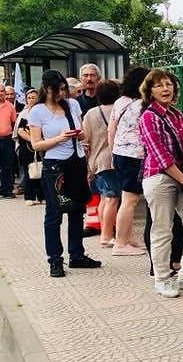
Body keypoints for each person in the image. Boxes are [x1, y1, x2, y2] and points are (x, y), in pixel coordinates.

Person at [136, 69, 183, 298]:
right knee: (162, 229)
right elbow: (161, 156)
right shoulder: (148, 116)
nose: (165, 89)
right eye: (159, 85)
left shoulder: (176, 115)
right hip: (159, 177)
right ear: (149, 91)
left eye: (168, 84)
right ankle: (162, 277)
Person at [27, 69, 102, 278]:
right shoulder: (38, 111)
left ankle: (77, 254)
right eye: (58, 90)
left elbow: (84, 133)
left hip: (76, 162)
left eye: (64, 89)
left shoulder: (72, 104)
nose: (62, 94)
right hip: (54, 166)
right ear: (46, 89)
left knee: (78, 210)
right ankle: (55, 260)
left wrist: (79, 135)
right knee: (54, 213)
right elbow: (36, 144)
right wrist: (60, 138)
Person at [108, 67, 149, 255]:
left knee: (127, 199)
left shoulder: (120, 101)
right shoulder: (143, 104)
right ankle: (121, 243)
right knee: (130, 200)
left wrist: (112, 153)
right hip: (135, 155)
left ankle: (126, 237)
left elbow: (112, 129)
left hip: (120, 152)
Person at [81, 79, 121, 246]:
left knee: (104, 198)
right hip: (112, 161)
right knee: (112, 199)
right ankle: (107, 235)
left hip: (95, 161)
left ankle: (106, 231)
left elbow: (84, 141)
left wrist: (87, 165)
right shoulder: (118, 111)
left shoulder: (90, 113)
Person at [14, 89, 44, 206]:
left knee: (41, 171)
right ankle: (29, 196)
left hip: (42, 146)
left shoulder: (43, 112)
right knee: (29, 172)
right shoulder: (24, 114)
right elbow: (20, 131)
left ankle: (41, 196)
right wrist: (32, 140)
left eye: (34, 97)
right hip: (27, 148)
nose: (31, 100)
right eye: (29, 97)